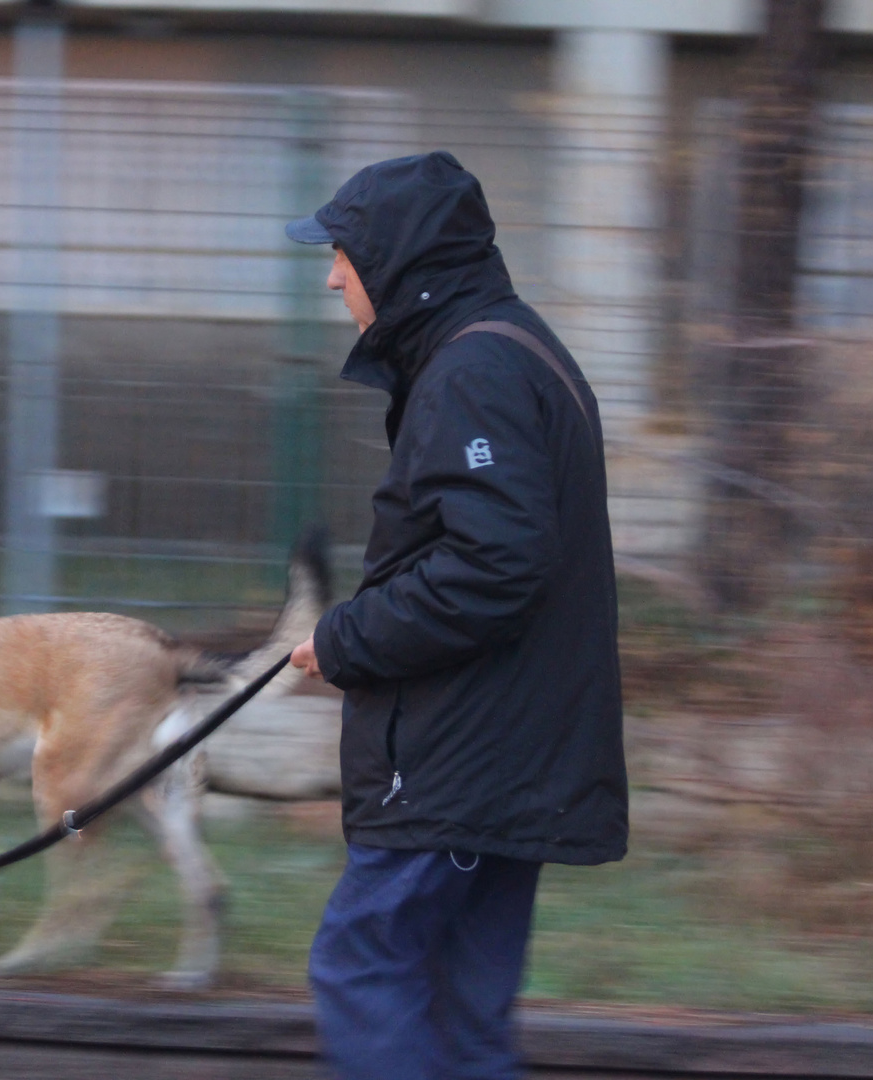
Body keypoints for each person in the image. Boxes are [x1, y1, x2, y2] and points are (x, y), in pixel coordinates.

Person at [285, 151, 627, 1080]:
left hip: (461, 765)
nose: (331, 275)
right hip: (506, 761)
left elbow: (493, 565)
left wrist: (345, 638)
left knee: (364, 967)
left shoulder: (473, 370)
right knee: (460, 1016)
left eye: (344, 253)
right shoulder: (508, 349)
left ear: (395, 260)